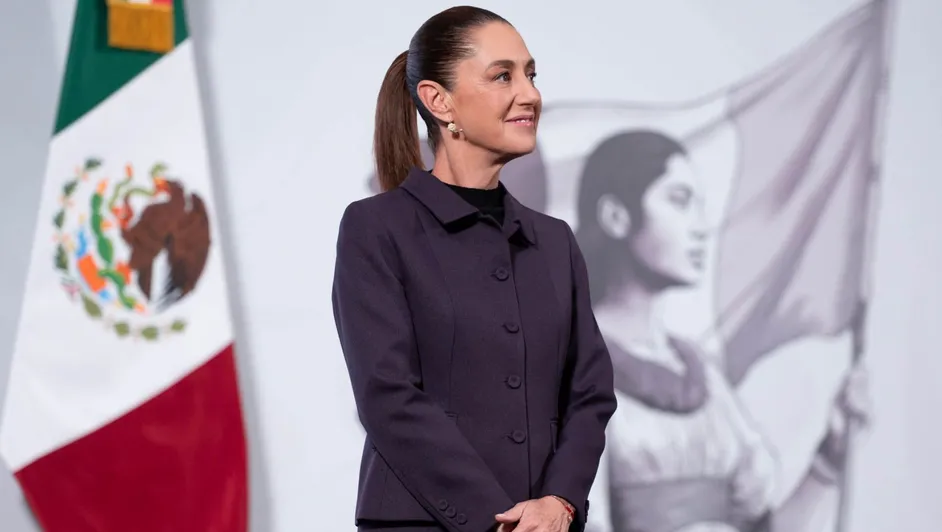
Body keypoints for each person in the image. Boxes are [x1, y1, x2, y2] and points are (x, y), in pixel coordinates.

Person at [331, 6, 617, 532]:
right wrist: (499, 522)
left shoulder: (554, 241)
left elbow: (590, 392)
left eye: (531, 75)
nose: (529, 94)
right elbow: (388, 395)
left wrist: (560, 501)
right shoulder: (376, 228)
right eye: (502, 76)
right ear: (439, 101)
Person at [571, 131, 870, 532]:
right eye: (679, 201)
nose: (701, 227)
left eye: (699, 205)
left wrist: (829, 457)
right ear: (615, 216)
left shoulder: (700, 374)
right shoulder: (569, 368)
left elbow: (763, 527)